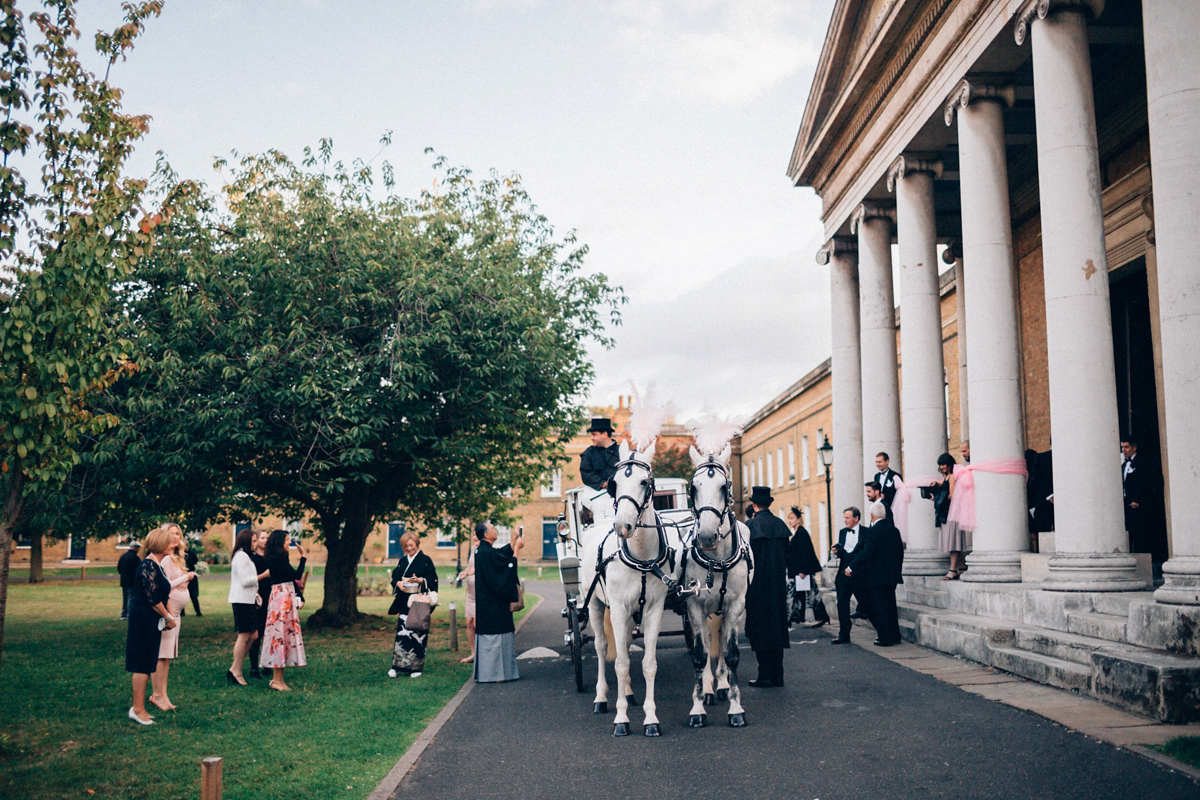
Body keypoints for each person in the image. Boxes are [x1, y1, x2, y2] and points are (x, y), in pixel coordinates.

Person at [124, 527, 177, 725]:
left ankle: (140, 708)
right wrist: (168, 617)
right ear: (160, 544)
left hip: (152, 620)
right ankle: (137, 709)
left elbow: (163, 593)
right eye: (170, 541)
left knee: (147, 662)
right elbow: (153, 598)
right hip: (143, 620)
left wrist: (166, 616)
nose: (174, 544)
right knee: (142, 664)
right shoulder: (147, 565)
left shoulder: (158, 565)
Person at [744, 487, 790, 688]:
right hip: (777, 584)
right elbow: (788, 556)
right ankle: (778, 675)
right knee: (776, 628)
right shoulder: (780, 525)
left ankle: (764, 674)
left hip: (756, 586)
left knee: (759, 629)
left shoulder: (750, 527)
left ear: (754, 504)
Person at [844, 502, 904, 646]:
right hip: (892, 576)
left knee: (880, 607)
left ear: (871, 516)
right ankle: (895, 636)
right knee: (891, 606)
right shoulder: (894, 530)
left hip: (877, 576)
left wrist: (851, 567)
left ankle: (884, 638)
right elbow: (899, 553)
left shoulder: (872, 531)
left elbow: (867, 553)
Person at [151, 524, 196, 711]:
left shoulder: (176, 558)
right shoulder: (165, 559)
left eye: (178, 534)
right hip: (167, 613)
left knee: (167, 657)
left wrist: (183, 580)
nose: (175, 537)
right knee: (161, 656)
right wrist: (186, 578)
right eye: (171, 534)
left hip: (176, 614)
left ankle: (164, 694)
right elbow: (164, 586)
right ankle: (157, 695)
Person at [473, 522, 524, 683]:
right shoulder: (486, 553)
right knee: (496, 637)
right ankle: (496, 674)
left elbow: (500, 555)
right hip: (493, 605)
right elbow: (505, 567)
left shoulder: (482, 551)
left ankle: (493, 673)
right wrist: (516, 551)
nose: (496, 530)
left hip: (487, 604)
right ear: (487, 535)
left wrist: (514, 539)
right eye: (493, 529)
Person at [388, 532, 439, 678]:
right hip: (404, 600)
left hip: (418, 601)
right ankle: (397, 665)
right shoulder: (402, 561)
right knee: (402, 633)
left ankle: (416, 667)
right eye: (406, 546)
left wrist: (420, 580)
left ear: (417, 544)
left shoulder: (426, 560)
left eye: (411, 545)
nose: (409, 548)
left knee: (417, 632)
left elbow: (433, 579)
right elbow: (395, 577)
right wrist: (397, 583)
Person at [261, 529, 307, 691]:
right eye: (287, 540)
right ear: (280, 541)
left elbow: (291, 579)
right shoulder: (276, 558)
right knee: (279, 637)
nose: (289, 542)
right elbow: (296, 575)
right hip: (281, 600)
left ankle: (279, 679)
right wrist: (303, 557)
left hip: (285, 598)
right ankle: (276, 680)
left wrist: (299, 596)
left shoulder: (280, 558)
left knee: (284, 637)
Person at [228, 528, 270, 686]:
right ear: (246, 541)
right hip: (241, 601)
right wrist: (264, 575)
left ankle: (234, 668)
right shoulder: (241, 556)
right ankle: (236, 671)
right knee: (244, 635)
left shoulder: (246, 556)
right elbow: (246, 580)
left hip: (249, 600)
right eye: (253, 541)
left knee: (253, 635)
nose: (255, 544)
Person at [831, 507, 870, 645]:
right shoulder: (842, 532)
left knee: (867, 604)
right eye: (844, 517)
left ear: (856, 518)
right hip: (842, 576)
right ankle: (844, 634)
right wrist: (836, 552)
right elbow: (843, 553)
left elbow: (865, 553)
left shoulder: (866, 532)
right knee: (842, 605)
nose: (845, 520)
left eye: (847, 517)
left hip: (858, 575)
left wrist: (852, 568)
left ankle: (883, 632)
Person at [785, 506, 829, 627]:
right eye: (789, 519)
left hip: (801, 571)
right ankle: (794, 618)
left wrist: (803, 570)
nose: (790, 521)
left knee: (810, 595)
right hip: (797, 571)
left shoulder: (802, 533)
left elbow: (805, 553)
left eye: (792, 518)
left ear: (799, 520)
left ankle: (820, 616)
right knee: (805, 594)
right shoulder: (797, 533)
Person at [932, 454, 966, 579]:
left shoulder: (952, 477)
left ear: (949, 464)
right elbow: (942, 490)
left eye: (944, 464)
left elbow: (952, 495)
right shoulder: (945, 477)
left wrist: (938, 497)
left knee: (953, 541)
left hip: (952, 512)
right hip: (946, 512)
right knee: (953, 540)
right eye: (940, 465)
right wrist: (935, 487)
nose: (942, 467)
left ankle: (952, 570)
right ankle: (961, 566)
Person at [246, 529, 271, 679]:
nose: (265, 540)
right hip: (257, 597)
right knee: (257, 633)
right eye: (262, 538)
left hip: (271, 596)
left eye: (267, 538)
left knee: (269, 633)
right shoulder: (252, 558)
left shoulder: (271, 556)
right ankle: (253, 667)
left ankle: (267, 664)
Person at [455, 544, 477, 664]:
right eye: (473, 535)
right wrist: (464, 573)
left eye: (477, 536)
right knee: (469, 623)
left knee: (476, 624)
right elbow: (470, 567)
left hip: (480, 593)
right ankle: (473, 653)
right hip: (470, 593)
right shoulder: (473, 548)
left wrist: (471, 572)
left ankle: (481, 653)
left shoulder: (486, 549)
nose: (474, 538)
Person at [117, 542, 141, 619]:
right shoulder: (135, 558)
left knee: (125, 598)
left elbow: (119, 568)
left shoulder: (123, 556)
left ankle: (124, 613)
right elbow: (139, 570)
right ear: (135, 548)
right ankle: (129, 614)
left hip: (124, 581)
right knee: (131, 598)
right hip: (132, 581)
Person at [183, 534, 202, 616]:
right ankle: (182, 612)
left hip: (192, 577)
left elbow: (196, 564)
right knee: (182, 595)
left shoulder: (192, 554)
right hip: (182, 577)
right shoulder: (179, 555)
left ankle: (198, 612)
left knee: (193, 595)